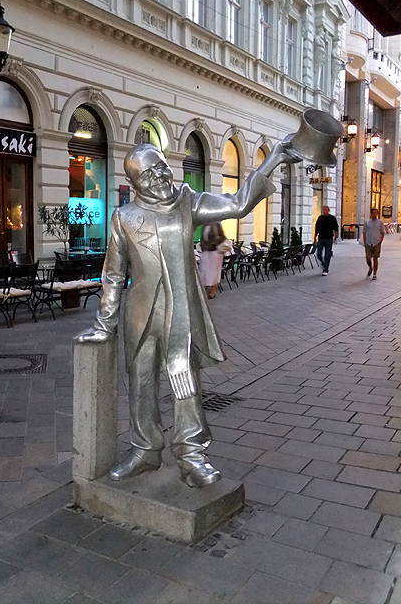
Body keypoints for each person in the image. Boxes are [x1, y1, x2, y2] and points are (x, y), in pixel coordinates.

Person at [75, 141, 298, 488]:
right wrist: (104, 325)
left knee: (185, 380)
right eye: (147, 174)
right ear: (133, 183)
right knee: (141, 384)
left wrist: (274, 158)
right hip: (140, 315)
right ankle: (145, 451)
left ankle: (191, 455)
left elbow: (238, 204)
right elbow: (114, 275)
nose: (159, 177)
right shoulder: (123, 217)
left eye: (161, 167)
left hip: (180, 311)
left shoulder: (187, 201)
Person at [199, 222, 229, 299]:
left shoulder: (216, 224)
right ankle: (205, 288)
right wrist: (202, 245)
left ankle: (213, 291)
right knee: (204, 270)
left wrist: (214, 243)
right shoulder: (204, 225)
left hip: (215, 251)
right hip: (206, 251)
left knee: (214, 271)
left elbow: (222, 237)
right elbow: (203, 238)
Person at [314, 205, 339, 275]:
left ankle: (325, 269)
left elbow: (336, 228)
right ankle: (324, 263)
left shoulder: (332, 218)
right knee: (319, 254)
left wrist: (336, 236)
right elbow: (317, 228)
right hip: (321, 238)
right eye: (323, 210)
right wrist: (315, 237)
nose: (324, 211)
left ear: (328, 210)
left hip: (329, 238)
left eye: (325, 209)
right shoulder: (320, 218)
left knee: (327, 254)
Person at [363, 208, 385, 280]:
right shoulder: (367, 222)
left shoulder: (380, 222)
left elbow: (382, 232)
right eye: (373, 213)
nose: (374, 214)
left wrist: (380, 241)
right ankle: (370, 267)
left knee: (375, 258)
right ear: (371, 213)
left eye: (376, 213)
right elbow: (364, 232)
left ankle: (375, 273)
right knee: (368, 258)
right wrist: (365, 241)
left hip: (376, 242)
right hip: (368, 242)